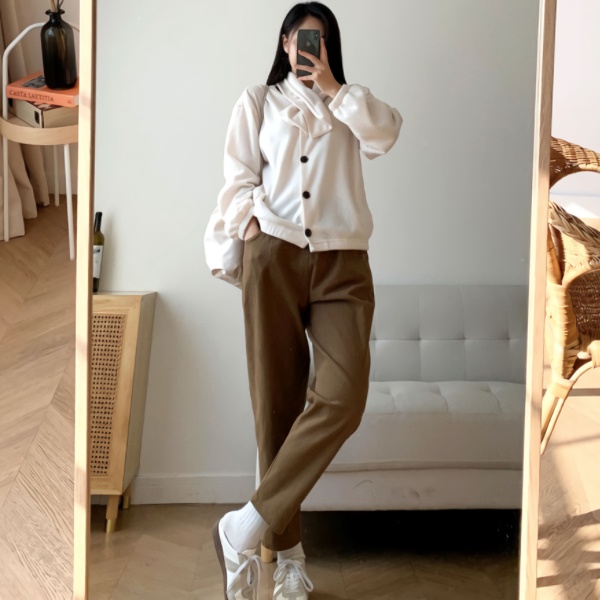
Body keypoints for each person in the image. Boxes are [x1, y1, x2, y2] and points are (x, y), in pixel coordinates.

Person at [208, 3, 402, 599]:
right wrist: (250, 228)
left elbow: (386, 134)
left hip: (344, 263)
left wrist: (336, 90)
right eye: (300, 37)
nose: (308, 46)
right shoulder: (258, 101)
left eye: (320, 37)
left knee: (343, 398)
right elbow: (237, 179)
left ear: (329, 45)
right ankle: (287, 558)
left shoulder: (351, 103)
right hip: (274, 255)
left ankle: (242, 527)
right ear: (285, 41)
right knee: (276, 405)